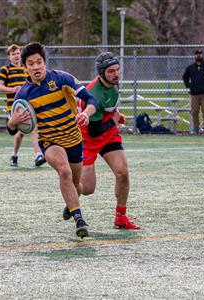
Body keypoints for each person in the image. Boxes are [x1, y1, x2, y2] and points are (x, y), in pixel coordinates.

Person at [7, 42, 99, 238]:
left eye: (39, 62)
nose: (36, 67)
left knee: (77, 186)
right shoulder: (23, 94)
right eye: (30, 63)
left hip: (74, 139)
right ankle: (79, 220)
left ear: (45, 63)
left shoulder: (61, 79)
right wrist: (13, 121)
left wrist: (87, 114)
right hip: (50, 142)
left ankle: (71, 203)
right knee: (64, 171)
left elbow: (91, 100)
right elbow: (11, 128)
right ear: (25, 67)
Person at [62, 52, 139, 230]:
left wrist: (115, 114)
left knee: (123, 172)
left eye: (118, 70)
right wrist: (113, 118)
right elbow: (96, 131)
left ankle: (121, 217)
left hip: (109, 135)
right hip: (89, 139)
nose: (116, 74)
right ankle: (72, 197)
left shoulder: (112, 85)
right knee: (88, 189)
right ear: (102, 73)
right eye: (111, 71)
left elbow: (109, 107)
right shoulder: (92, 93)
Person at [0, 44, 46, 167]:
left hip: (29, 105)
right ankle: (14, 155)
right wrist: (12, 90)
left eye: (18, 53)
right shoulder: (5, 70)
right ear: (9, 57)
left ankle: (38, 155)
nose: (16, 56)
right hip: (15, 107)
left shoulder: (26, 69)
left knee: (34, 128)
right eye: (13, 54)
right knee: (20, 133)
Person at [183, 49, 204, 135]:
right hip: (194, 94)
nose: (198, 55)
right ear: (194, 56)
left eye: (200, 54)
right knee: (194, 112)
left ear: (203, 55)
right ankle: (195, 128)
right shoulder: (190, 68)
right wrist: (189, 85)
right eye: (197, 54)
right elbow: (185, 77)